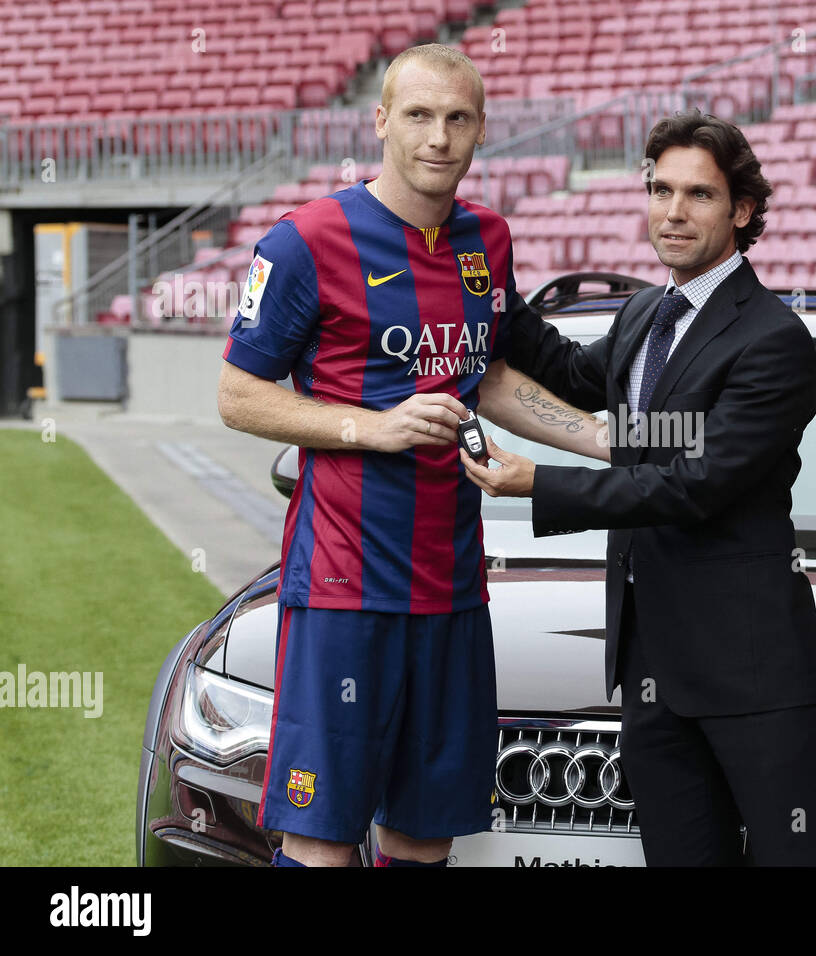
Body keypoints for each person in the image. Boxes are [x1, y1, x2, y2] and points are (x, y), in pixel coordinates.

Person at [216, 44, 608, 868]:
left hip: (454, 584)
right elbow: (238, 396)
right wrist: (373, 426)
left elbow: (490, 377)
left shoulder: (486, 240)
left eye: (458, 119)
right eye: (421, 116)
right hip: (342, 587)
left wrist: (609, 441)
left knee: (424, 834)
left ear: (480, 131)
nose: (439, 137)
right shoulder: (304, 243)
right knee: (321, 835)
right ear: (382, 121)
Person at [463, 109, 816, 866]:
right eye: (660, 190)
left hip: (753, 678)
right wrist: (483, 273)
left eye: (698, 195)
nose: (673, 212)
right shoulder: (646, 311)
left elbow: (694, 484)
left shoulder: (772, 338)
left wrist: (538, 482)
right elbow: (573, 375)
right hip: (651, 673)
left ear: (741, 210)